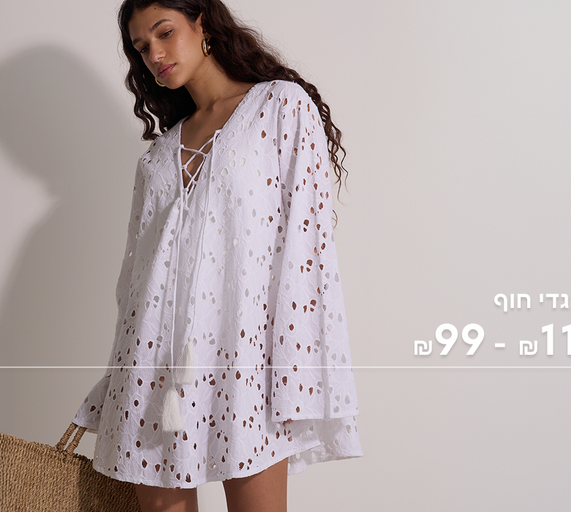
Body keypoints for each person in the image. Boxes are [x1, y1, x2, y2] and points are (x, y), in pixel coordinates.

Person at [73, 1, 362, 510]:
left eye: (164, 33)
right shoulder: (158, 156)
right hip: (150, 369)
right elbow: (135, 283)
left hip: (245, 364)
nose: (154, 54)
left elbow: (305, 251)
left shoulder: (279, 107)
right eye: (141, 47)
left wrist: (290, 374)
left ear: (202, 22)